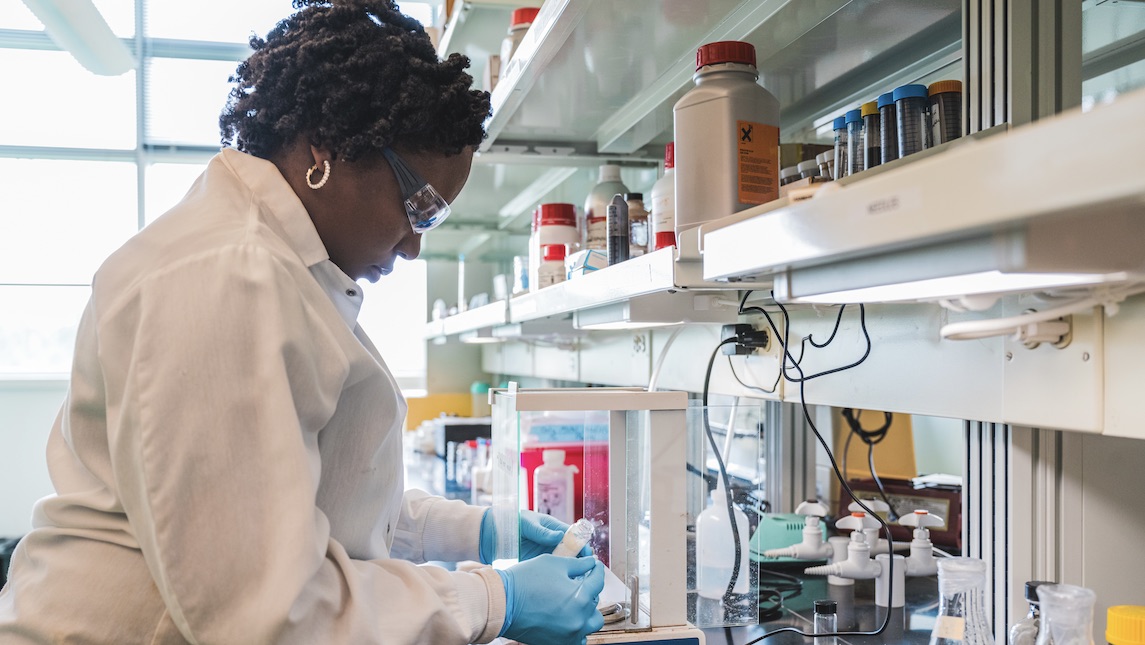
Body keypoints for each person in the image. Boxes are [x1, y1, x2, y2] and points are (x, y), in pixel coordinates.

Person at [0, 1, 605, 643]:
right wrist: (493, 599)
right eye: (419, 207)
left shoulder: (282, 266)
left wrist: (471, 529)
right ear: (327, 149)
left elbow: (302, 497)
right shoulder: (225, 277)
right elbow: (271, 612)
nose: (413, 246)